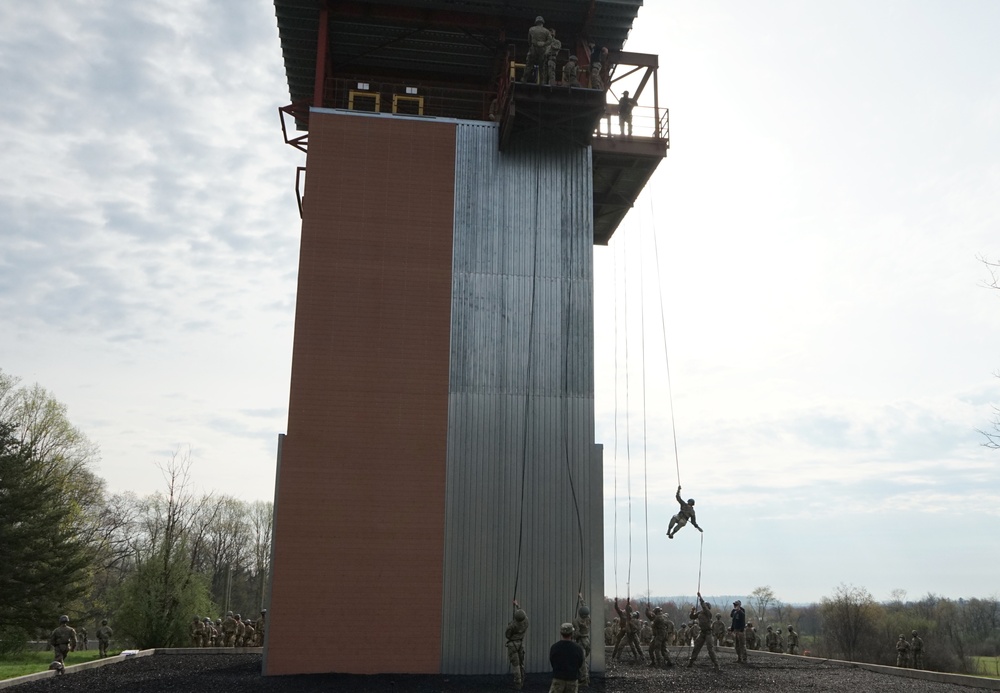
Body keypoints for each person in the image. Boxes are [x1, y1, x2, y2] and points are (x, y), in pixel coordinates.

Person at [549, 623, 585, 693]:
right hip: (572, 680)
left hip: (558, 679)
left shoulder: (554, 647)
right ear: (572, 633)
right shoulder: (578, 648)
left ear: (561, 633)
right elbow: (580, 663)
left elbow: (552, 661)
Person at [687, 593, 719, 670]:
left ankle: (716, 664)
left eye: (706, 606)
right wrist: (692, 611)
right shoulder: (700, 613)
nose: (704, 607)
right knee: (697, 646)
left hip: (708, 632)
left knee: (710, 649)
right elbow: (692, 617)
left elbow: (704, 606)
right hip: (702, 632)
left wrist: (700, 597)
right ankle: (691, 662)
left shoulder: (708, 613)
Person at [505, 601, 529, 690]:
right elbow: (522, 614)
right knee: (521, 663)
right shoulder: (526, 621)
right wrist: (517, 605)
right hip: (520, 644)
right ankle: (522, 679)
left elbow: (507, 635)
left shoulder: (512, 625)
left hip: (513, 645)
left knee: (516, 665)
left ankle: (518, 684)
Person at [524, 16, 552, 83]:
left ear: (536, 22)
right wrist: (544, 44)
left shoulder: (531, 29)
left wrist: (533, 45)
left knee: (529, 64)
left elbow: (529, 40)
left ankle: (524, 79)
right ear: (542, 23)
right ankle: (542, 81)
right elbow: (550, 41)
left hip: (533, 48)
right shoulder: (547, 31)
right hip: (542, 50)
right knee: (542, 66)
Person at [572, 594, 591, 686]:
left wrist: (573, 633)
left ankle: (584, 681)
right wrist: (581, 598)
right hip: (587, 640)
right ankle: (586, 677)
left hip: (581, 641)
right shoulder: (588, 618)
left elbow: (577, 634)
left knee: (582, 661)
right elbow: (585, 608)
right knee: (584, 659)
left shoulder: (576, 621)